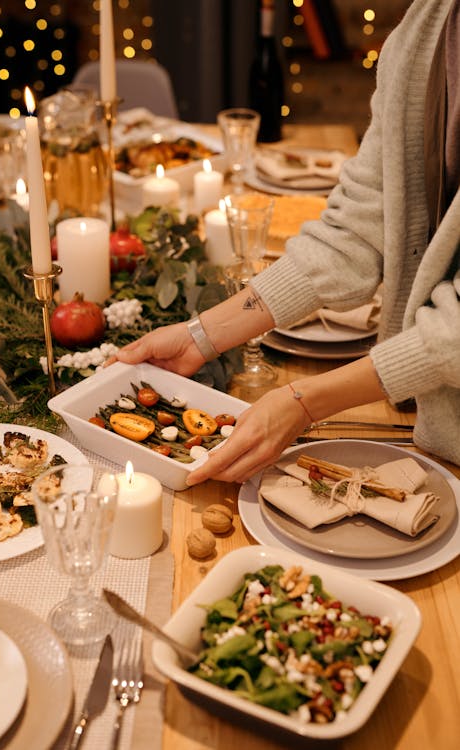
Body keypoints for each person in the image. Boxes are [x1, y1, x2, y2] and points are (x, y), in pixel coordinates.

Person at [114, 0, 460, 485]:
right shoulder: (424, 28)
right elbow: (354, 231)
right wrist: (199, 335)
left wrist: (303, 402)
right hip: (432, 428)